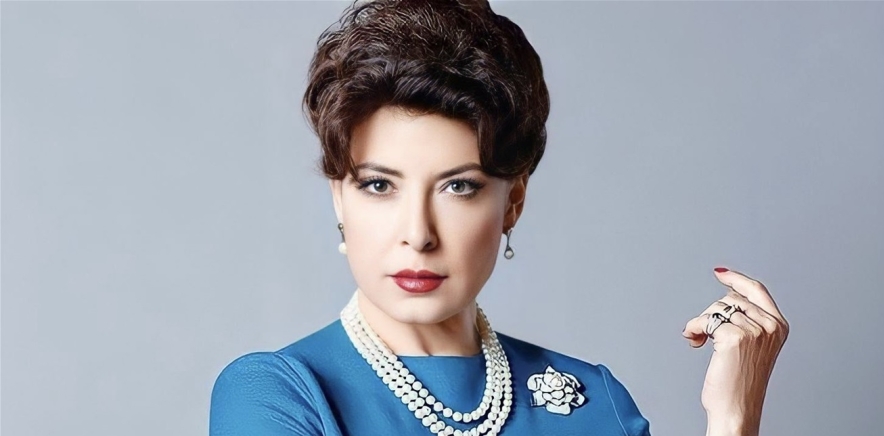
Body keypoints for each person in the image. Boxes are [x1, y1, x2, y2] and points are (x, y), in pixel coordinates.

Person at [209, 1, 790, 435]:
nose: (418, 234)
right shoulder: (278, 395)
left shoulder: (594, 401)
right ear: (341, 197)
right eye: (379, 185)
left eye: (458, 187)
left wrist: (732, 420)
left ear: (512, 202)